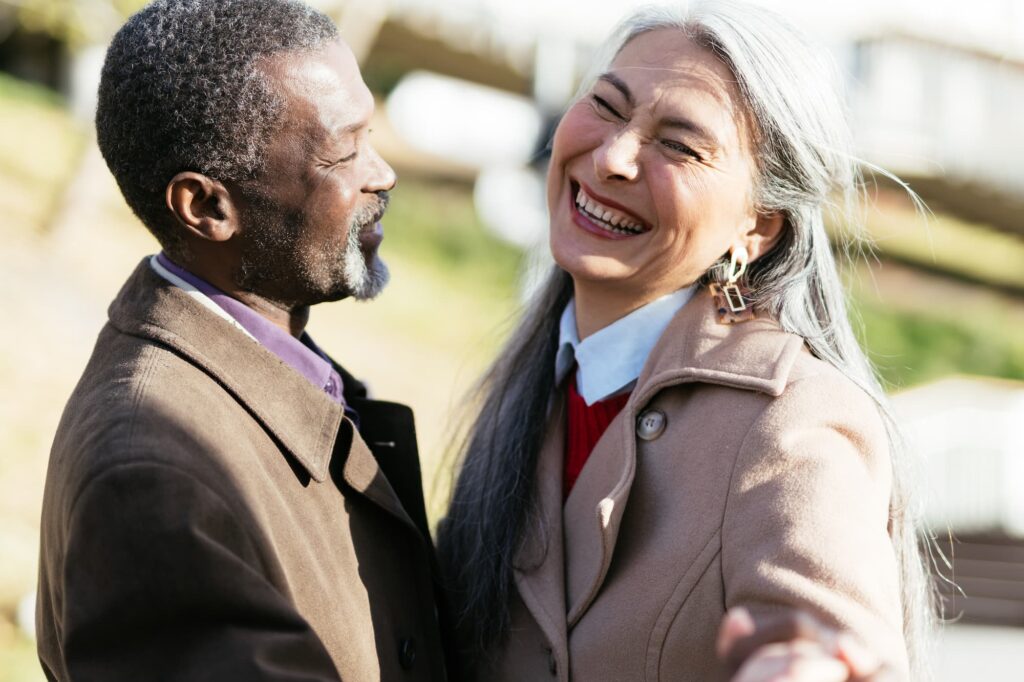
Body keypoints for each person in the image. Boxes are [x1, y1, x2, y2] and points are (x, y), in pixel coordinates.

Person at [437, 2, 932, 681]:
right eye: (607, 106)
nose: (612, 157)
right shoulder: (537, 379)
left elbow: (831, 653)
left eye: (679, 145)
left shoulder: (790, 423)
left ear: (757, 227)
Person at [35, 1, 453, 679]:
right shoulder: (150, 478)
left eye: (370, 132)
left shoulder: (273, 361)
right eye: (344, 152)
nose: (383, 173)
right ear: (206, 208)